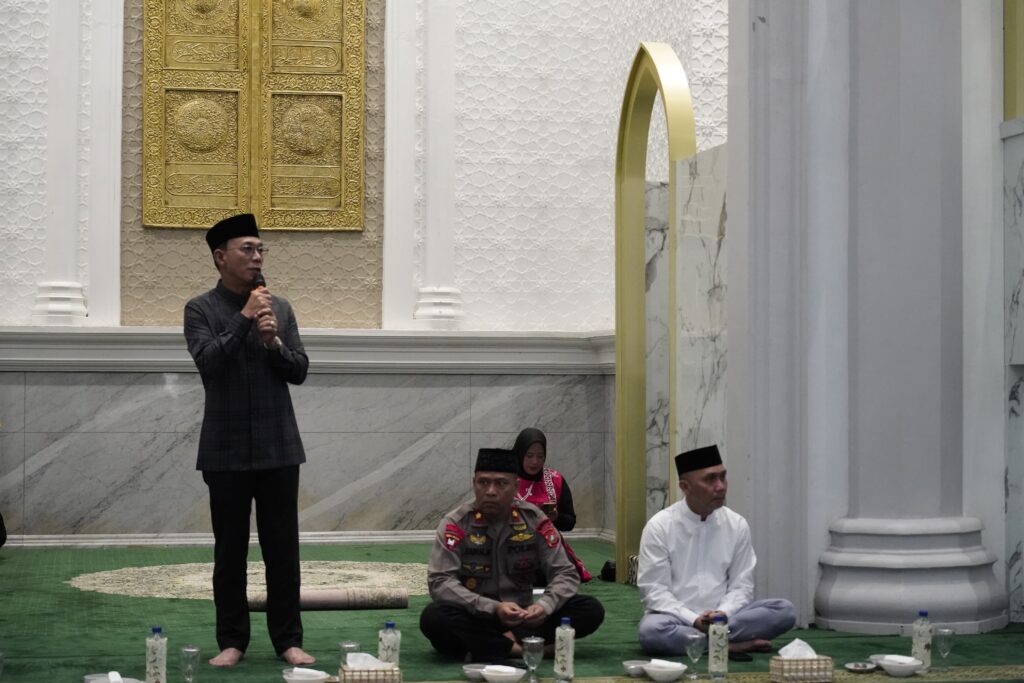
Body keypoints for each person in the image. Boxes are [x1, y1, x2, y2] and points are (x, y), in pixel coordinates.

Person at [184, 213, 314, 668]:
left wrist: (274, 343)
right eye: (248, 249)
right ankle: (232, 641)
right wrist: (243, 320)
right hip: (226, 451)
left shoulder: (281, 308)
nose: (257, 257)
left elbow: (299, 370)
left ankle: (288, 641)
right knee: (230, 552)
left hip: (279, 448)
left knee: (283, 552)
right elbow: (209, 362)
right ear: (221, 257)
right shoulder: (200, 309)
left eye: (261, 250)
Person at [420, 448, 605, 662]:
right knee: (435, 617)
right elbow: (440, 581)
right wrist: (493, 607)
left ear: (516, 486)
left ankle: (491, 645)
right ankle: (520, 649)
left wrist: (544, 606)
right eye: (483, 482)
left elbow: (565, 572)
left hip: (524, 618)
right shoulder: (456, 523)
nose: (490, 491)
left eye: (501, 483)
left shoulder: (533, 519)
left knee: (590, 609)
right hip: (477, 615)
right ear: (474, 483)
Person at [636, 445, 796, 658]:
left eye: (723, 477)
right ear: (685, 487)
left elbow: (742, 586)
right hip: (677, 619)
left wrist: (723, 613)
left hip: (727, 619)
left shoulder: (736, 524)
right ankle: (728, 646)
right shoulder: (660, 527)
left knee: (784, 611)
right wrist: (694, 619)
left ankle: (704, 644)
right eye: (710, 479)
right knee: (651, 632)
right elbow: (654, 591)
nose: (720, 487)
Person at [511, 428, 592, 582]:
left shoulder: (554, 479)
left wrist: (556, 517)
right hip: (513, 544)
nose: (535, 462)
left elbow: (570, 522)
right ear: (520, 454)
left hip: (548, 545)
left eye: (540, 456)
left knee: (557, 572)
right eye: (529, 456)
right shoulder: (506, 480)